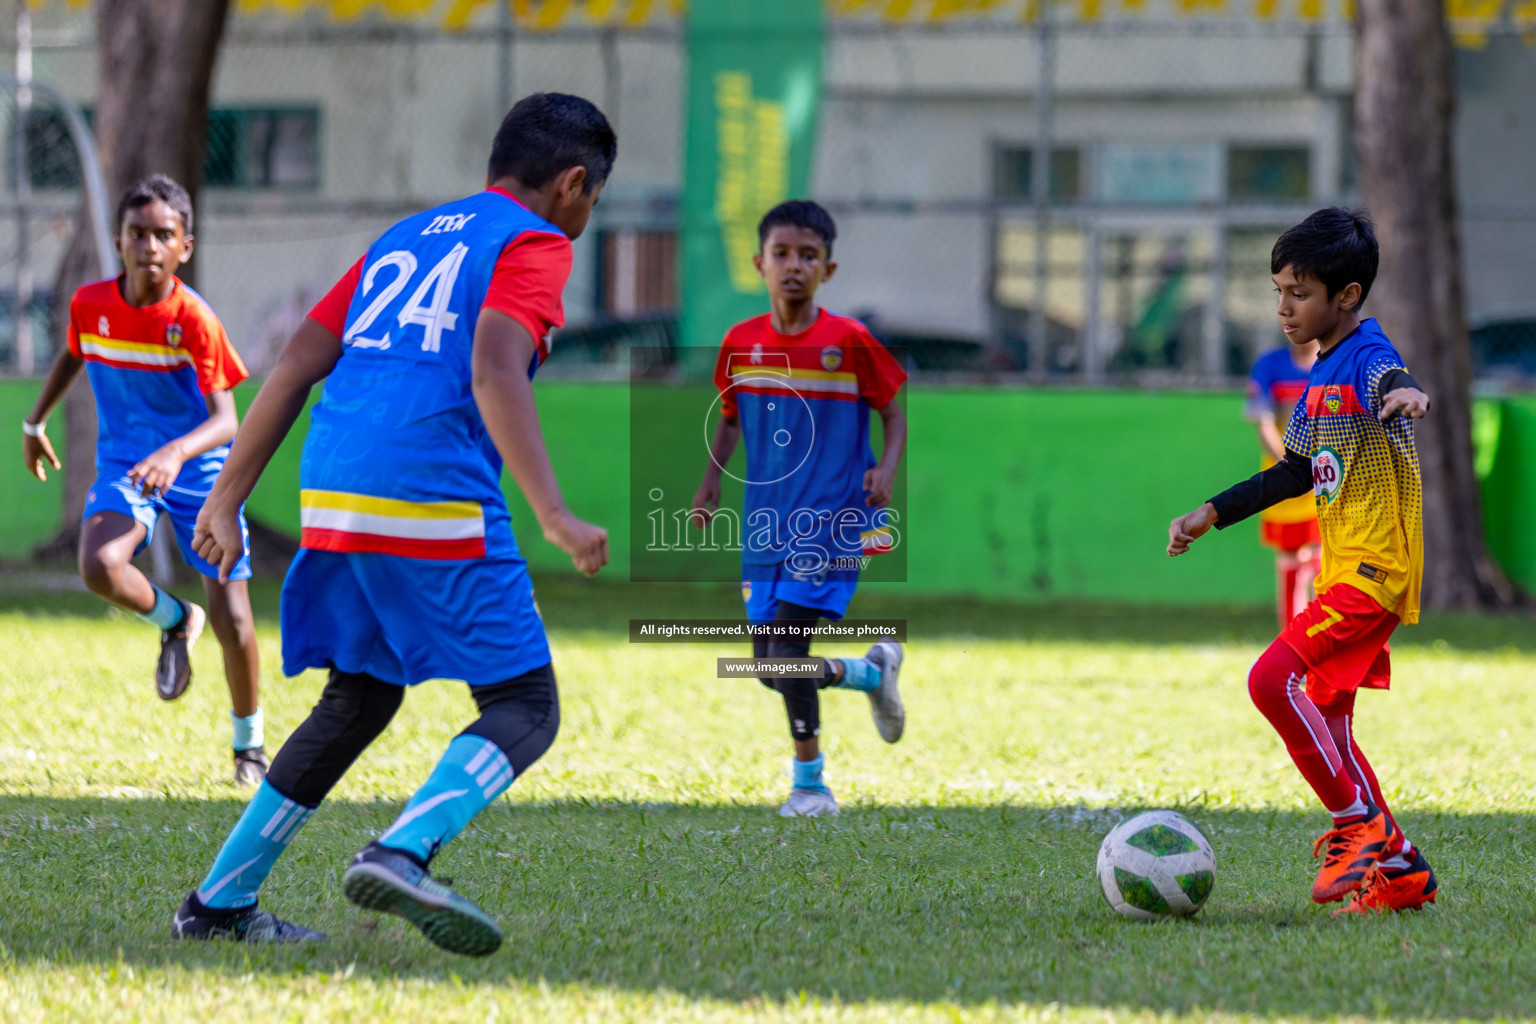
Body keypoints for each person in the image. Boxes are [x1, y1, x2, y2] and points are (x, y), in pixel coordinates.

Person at [170, 93, 614, 954]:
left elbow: (298, 359)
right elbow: (494, 366)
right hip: (427, 485)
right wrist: (552, 513)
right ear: (571, 185)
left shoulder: (404, 237)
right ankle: (403, 851)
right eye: (591, 198)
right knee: (525, 705)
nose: (584, 214)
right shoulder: (536, 242)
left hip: (333, 486)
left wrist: (226, 496)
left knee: (361, 696)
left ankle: (218, 903)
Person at [1167, 208, 1437, 915]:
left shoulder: (1368, 356)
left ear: (1346, 296)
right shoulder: (1317, 380)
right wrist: (1211, 513)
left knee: (1269, 680)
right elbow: (1291, 472)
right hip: (1345, 569)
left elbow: (1390, 379)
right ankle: (1402, 869)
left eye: (1300, 292)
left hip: (1374, 571)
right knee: (1328, 716)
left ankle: (1359, 826)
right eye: (1279, 290)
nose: (1284, 307)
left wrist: (1406, 394)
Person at [22, 175, 267, 786]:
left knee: (233, 616)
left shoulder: (195, 320)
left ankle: (250, 748)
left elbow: (225, 420)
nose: (149, 246)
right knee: (99, 565)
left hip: (202, 474)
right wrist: (34, 420)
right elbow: (74, 353)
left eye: (164, 235)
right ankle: (174, 619)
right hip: (126, 468)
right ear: (119, 241)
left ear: (185, 246)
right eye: (137, 234)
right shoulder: (91, 305)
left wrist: (174, 455)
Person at [691, 200, 909, 819]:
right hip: (766, 523)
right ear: (760, 263)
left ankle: (810, 786)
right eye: (782, 254)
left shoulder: (850, 341)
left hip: (835, 520)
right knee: (769, 669)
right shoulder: (739, 344)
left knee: (784, 652)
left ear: (828, 269)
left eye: (808, 256)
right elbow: (729, 420)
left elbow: (893, 413)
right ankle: (871, 673)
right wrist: (710, 481)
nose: (794, 266)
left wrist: (885, 468)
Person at [1246, 338, 1322, 627]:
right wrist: (1289, 465)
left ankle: (1323, 643)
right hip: (1286, 481)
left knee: (1324, 561)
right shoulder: (1270, 365)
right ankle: (1293, 643)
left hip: (1327, 480)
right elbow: (1263, 421)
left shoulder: (1337, 365)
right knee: (1291, 560)